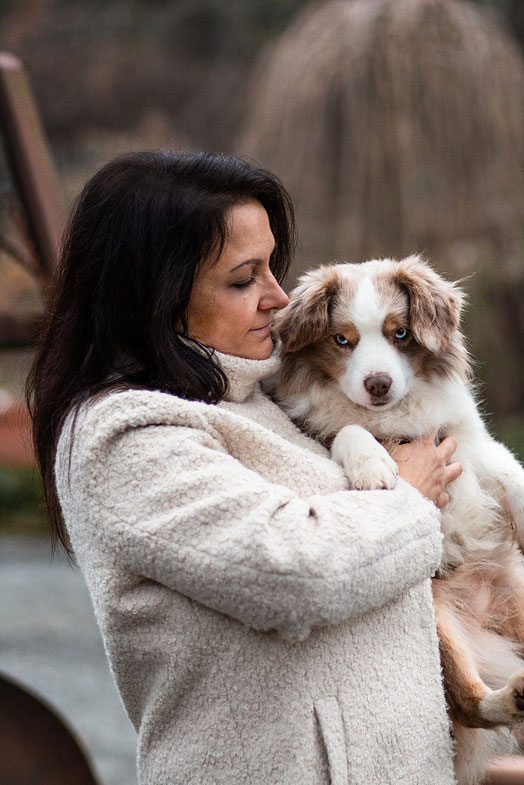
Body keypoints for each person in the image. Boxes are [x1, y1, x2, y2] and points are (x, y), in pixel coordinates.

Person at [27, 151, 462, 785]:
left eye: (273, 268)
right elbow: (291, 570)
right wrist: (411, 499)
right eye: (243, 279)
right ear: (156, 298)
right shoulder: (126, 437)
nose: (279, 299)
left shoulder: (270, 400)